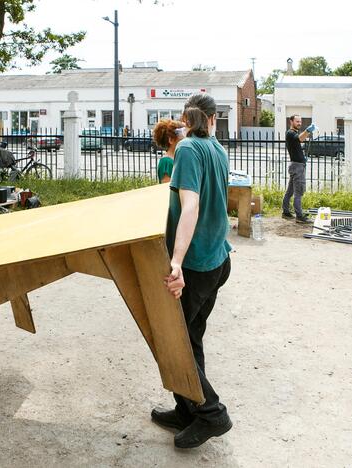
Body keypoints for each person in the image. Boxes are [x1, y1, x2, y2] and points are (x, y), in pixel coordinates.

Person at [152, 93, 232, 449]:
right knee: (191, 338)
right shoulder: (217, 148)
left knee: (175, 344)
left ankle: (212, 414)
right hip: (218, 258)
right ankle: (186, 408)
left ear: (187, 118)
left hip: (196, 265)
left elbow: (191, 207)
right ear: (213, 119)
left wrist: (176, 263)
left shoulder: (185, 150)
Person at [282, 115, 315, 223]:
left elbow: (300, 139)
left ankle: (286, 212)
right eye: (297, 121)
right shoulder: (291, 133)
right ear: (291, 121)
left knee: (290, 191)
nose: (299, 123)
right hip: (297, 167)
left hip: (295, 165)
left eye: (300, 121)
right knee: (298, 192)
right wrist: (307, 130)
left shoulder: (293, 133)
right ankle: (299, 216)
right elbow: (301, 139)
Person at [152, 119, 185, 183]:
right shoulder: (166, 162)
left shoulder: (176, 159)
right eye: (182, 138)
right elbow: (166, 189)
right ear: (171, 140)